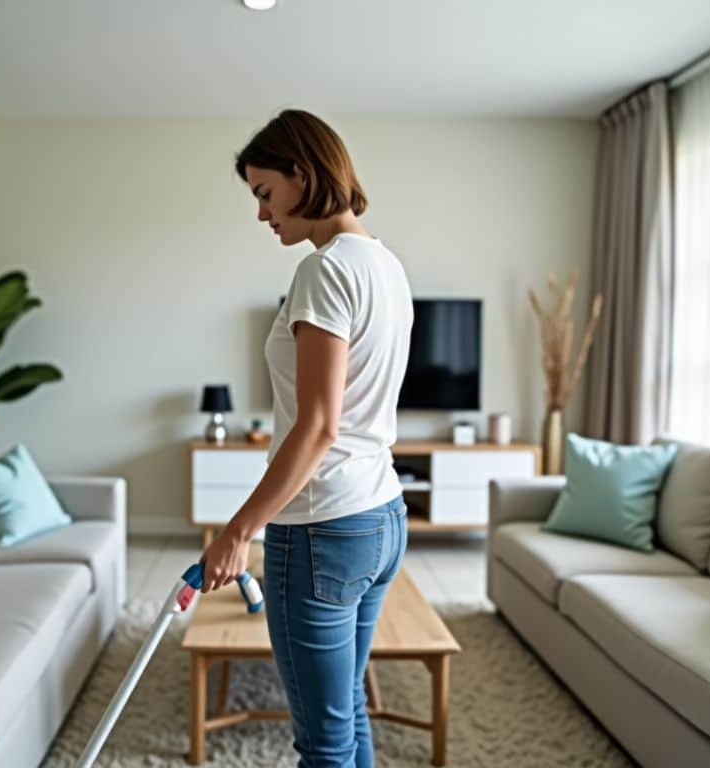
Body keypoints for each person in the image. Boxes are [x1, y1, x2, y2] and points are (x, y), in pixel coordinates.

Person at [199, 109, 414, 768]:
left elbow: (318, 426)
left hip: (323, 527)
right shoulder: (385, 263)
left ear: (303, 174)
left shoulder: (323, 271)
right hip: (381, 516)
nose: (262, 214)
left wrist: (239, 530)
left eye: (265, 193)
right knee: (345, 707)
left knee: (322, 740)